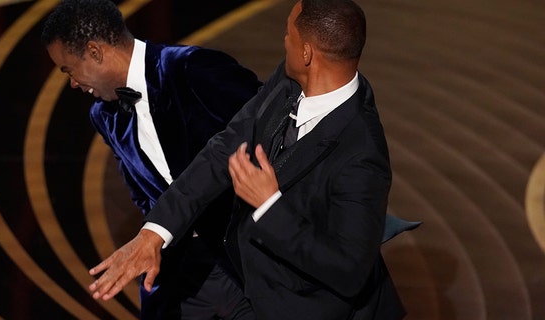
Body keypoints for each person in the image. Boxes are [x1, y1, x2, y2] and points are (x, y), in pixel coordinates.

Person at [88, 0, 413, 319]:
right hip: (257, 291)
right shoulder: (289, 82)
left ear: (307, 52)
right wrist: (154, 233)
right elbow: (223, 149)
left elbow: (347, 270)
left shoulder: (362, 153)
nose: (283, 40)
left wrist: (269, 205)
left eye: (289, 34)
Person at [41, 0, 262, 319]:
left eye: (69, 70)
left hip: (248, 263)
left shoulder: (193, 68)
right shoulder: (104, 115)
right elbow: (143, 194)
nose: (73, 82)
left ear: (95, 52)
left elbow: (273, 134)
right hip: (181, 274)